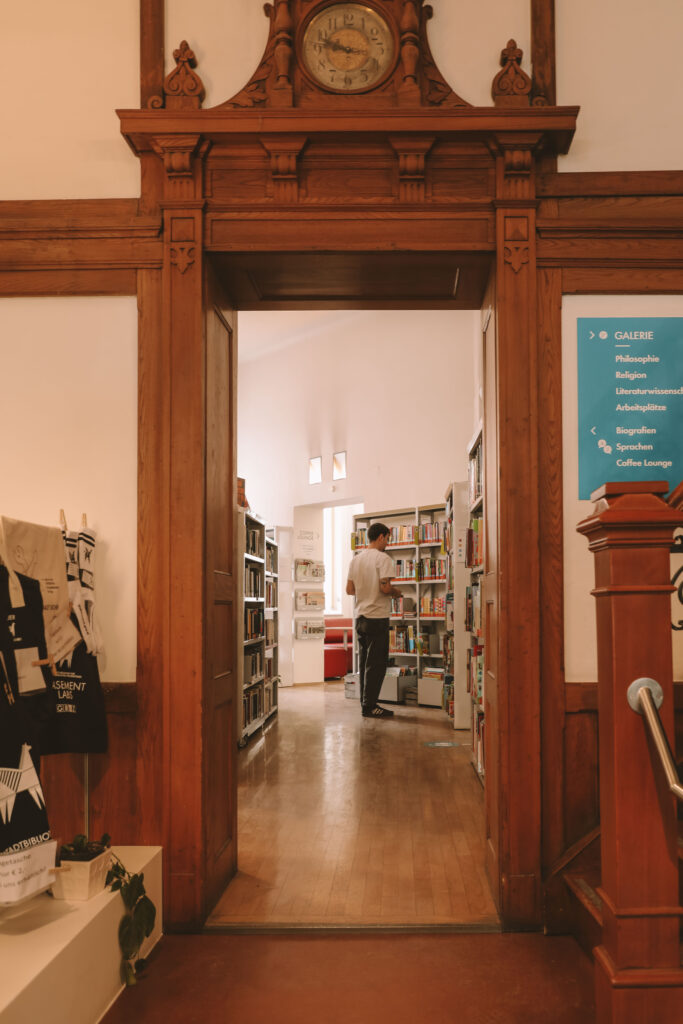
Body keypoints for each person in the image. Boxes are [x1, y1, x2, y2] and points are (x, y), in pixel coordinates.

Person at [346, 522, 403, 718]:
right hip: (377, 617)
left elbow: (349, 590)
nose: (387, 543)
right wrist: (396, 592)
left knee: (364, 664)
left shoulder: (356, 560)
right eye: (387, 539)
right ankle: (370, 706)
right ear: (380, 537)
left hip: (360, 618)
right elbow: (385, 588)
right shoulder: (383, 558)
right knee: (377, 665)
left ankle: (365, 703)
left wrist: (365, 590)